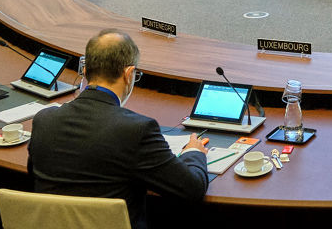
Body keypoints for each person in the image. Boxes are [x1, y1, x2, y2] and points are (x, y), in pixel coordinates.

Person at [28, 30, 209, 229]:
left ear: (86, 70)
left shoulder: (44, 120)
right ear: (129, 74)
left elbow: (35, 172)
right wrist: (193, 152)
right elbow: (191, 189)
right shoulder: (136, 130)